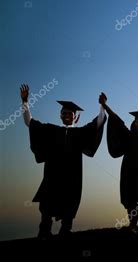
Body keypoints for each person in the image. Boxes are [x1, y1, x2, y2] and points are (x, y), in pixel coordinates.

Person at [20, 84, 106, 239]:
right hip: (52, 176)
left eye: (70, 113)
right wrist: (25, 103)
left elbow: (98, 123)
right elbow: (30, 123)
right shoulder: (51, 131)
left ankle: (65, 232)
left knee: (69, 206)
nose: (67, 115)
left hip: (72, 178)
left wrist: (102, 106)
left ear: (75, 117)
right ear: (60, 115)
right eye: (64, 113)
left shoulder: (80, 133)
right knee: (46, 206)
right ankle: (44, 232)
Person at [100, 93, 138, 234]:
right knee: (129, 200)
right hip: (128, 172)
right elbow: (116, 120)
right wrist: (105, 105)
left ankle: (133, 225)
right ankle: (132, 223)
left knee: (137, 199)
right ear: (134, 123)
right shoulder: (128, 135)